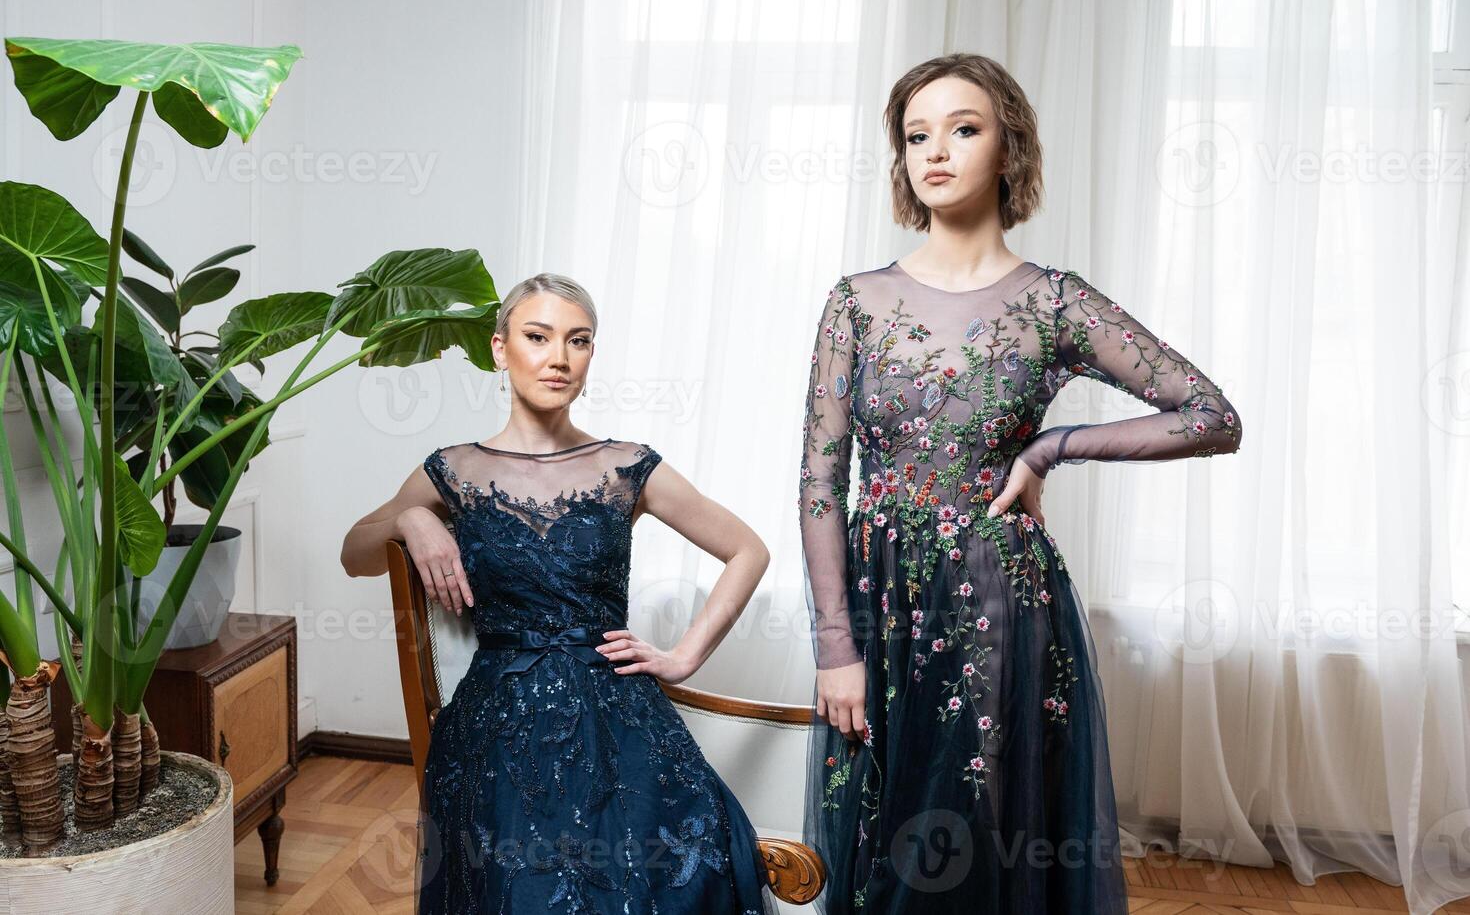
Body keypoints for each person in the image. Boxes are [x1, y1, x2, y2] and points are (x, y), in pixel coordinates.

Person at [798, 53, 1244, 914]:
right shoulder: (855, 302)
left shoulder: (1054, 303)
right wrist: (834, 645)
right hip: (877, 599)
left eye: (963, 129)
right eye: (916, 135)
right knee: (880, 833)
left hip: (999, 594)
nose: (935, 151)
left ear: (1009, 149)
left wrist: (1051, 448)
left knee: (979, 826)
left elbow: (1211, 415)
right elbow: (821, 477)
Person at [341, 273, 779, 914]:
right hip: (497, 726)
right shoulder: (454, 469)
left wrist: (683, 657)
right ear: (499, 348)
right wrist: (412, 519)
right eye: (537, 336)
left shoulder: (627, 466)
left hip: (617, 714)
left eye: (578, 340)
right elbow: (355, 552)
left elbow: (749, 549)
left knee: (684, 870)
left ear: (591, 356)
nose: (559, 357)